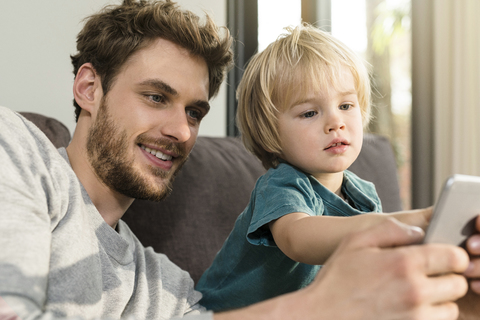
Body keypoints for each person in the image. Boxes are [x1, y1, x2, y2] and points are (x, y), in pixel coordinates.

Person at [0, 1, 477, 320]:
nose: (181, 130)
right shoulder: (16, 147)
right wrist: (324, 306)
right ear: (89, 88)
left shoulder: (166, 285)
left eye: (194, 111)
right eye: (155, 96)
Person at [196, 24, 431, 312]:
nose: (336, 122)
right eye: (309, 112)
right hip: (223, 315)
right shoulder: (282, 184)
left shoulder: (364, 195)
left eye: (346, 105)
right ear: (270, 133)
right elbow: (299, 239)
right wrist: (413, 220)